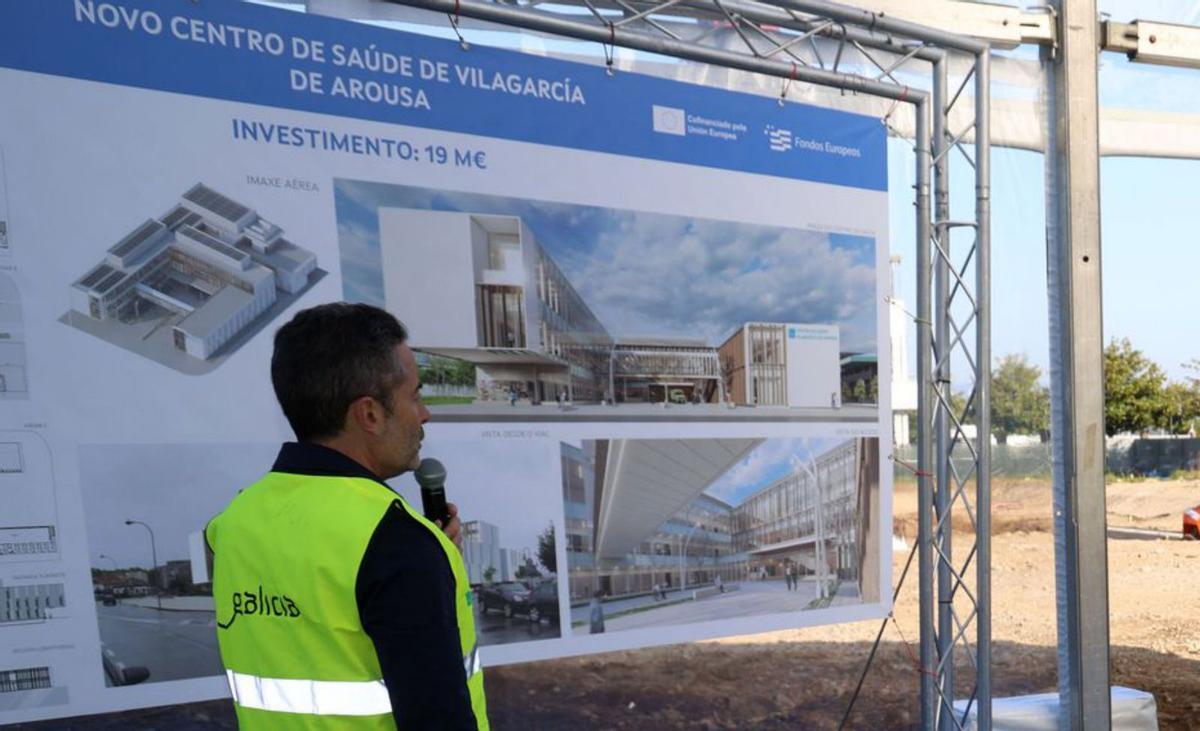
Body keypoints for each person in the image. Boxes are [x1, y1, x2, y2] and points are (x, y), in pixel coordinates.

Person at [205, 303, 488, 730]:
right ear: (369, 414)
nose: (425, 413)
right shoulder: (397, 544)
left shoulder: (233, 522)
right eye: (415, 396)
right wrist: (422, 563)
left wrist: (424, 565)